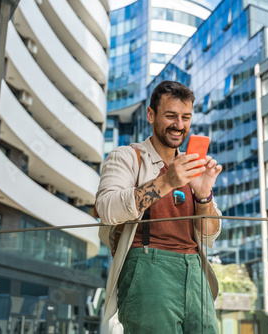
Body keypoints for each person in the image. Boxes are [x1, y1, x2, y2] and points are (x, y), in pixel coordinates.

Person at [95, 81, 222, 333]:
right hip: (148, 269)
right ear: (151, 115)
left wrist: (203, 196)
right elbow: (106, 208)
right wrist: (167, 181)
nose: (179, 125)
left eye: (186, 117)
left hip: (195, 271)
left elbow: (210, 234)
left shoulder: (191, 168)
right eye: (171, 115)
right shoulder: (126, 157)